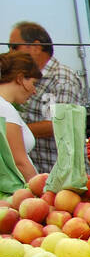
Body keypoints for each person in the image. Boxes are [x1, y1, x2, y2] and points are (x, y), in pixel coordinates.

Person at [8, 21, 89, 174]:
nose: (11, 53)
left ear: (36, 47)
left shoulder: (61, 78)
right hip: (38, 173)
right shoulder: (29, 78)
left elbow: (58, 124)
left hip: (60, 175)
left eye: (14, 47)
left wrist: (14, 132)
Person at [0, 52, 42, 181]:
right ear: (20, 78)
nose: (34, 91)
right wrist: (40, 195)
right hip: (15, 192)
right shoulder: (5, 109)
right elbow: (20, 162)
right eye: (33, 83)